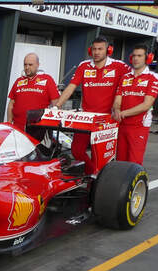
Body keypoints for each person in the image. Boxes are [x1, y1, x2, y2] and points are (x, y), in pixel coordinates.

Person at [55, 36, 129, 173]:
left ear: (109, 50)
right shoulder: (84, 65)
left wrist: (119, 107)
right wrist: (57, 105)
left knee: (99, 156)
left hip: (107, 120)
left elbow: (130, 85)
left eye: (100, 49)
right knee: (76, 150)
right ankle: (92, 174)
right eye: (94, 49)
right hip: (86, 117)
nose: (96, 52)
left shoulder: (120, 66)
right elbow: (71, 86)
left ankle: (99, 181)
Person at [112, 45, 158, 165]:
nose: (136, 59)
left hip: (139, 126)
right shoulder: (125, 77)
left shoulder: (153, 77)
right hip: (122, 124)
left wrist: (123, 113)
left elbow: (146, 105)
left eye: (139, 56)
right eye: (134, 56)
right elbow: (117, 100)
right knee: (120, 161)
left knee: (134, 163)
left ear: (148, 58)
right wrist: (117, 109)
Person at [7, 53, 59, 135]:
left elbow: (56, 103)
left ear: (38, 65)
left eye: (30, 65)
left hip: (39, 129)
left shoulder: (47, 79)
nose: (27, 67)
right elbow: (11, 105)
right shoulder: (18, 81)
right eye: (25, 65)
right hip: (17, 128)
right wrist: (9, 123)